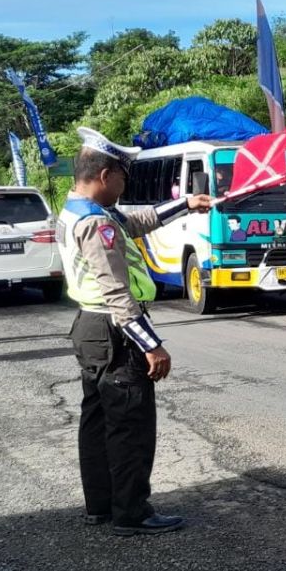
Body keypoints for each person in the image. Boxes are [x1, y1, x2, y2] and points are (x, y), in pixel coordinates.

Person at [57, 128, 211, 537]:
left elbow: (137, 220)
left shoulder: (79, 209)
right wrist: (152, 345)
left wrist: (186, 204)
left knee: (97, 419)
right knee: (129, 423)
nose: (125, 187)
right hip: (113, 329)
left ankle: (102, 506)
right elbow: (118, 294)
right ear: (106, 175)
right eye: (124, 178)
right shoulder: (96, 224)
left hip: (90, 328)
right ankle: (132, 512)